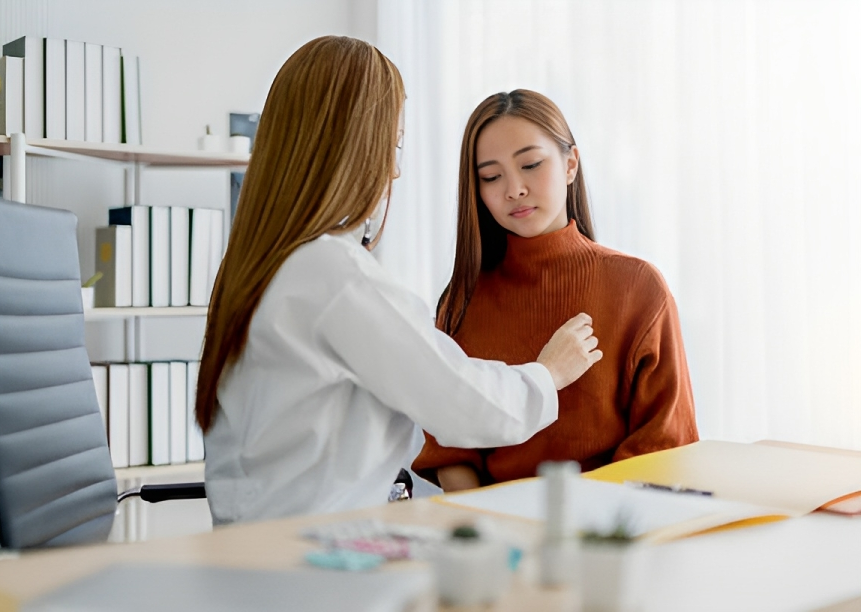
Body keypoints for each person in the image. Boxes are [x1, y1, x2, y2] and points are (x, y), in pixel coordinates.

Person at [195, 38, 603, 525]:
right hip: (308, 561)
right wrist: (548, 374)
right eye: (393, 143)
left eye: (531, 165)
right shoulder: (333, 277)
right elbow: (461, 402)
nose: (394, 168)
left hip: (258, 545)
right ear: (357, 148)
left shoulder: (263, 265)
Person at [412, 90, 699, 492]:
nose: (514, 189)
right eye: (491, 176)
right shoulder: (461, 301)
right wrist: (493, 534)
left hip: (609, 533)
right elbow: (451, 451)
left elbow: (664, 448)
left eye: (530, 164)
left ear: (570, 164)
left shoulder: (638, 288)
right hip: (496, 537)